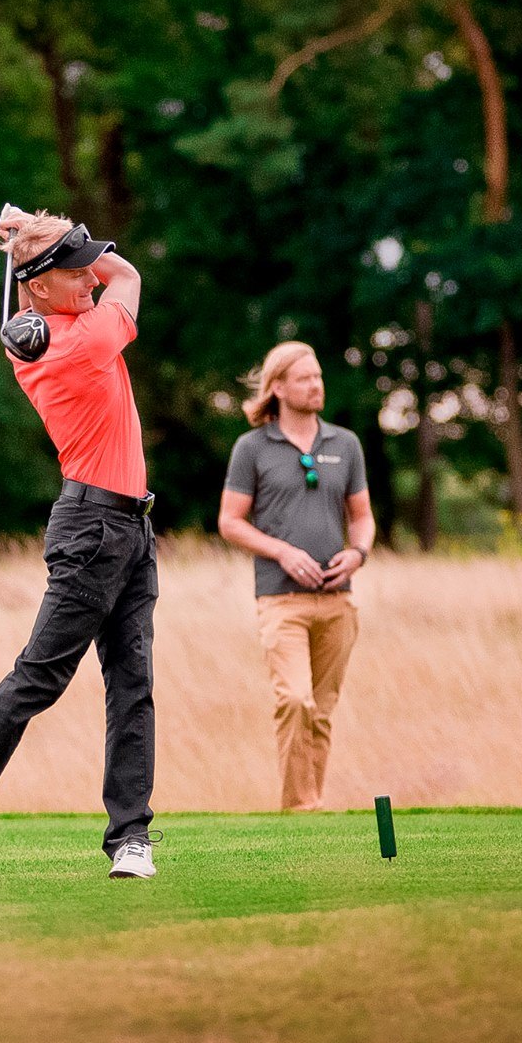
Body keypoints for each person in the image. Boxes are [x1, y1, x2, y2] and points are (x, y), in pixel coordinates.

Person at [0, 208, 159, 884]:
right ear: (38, 288)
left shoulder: (43, 328)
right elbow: (127, 274)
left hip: (131, 526)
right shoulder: (82, 343)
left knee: (132, 682)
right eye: (75, 272)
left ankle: (130, 836)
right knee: (39, 676)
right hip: (93, 530)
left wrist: (37, 235)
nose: (91, 278)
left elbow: (79, 281)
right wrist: (38, 241)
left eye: (86, 267)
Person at [217, 341, 377, 811]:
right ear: (279, 388)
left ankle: (310, 807)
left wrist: (358, 553)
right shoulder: (252, 448)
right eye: (305, 378)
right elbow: (230, 522)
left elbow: (362, 517)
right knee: (295, 701)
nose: (316, 385)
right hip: (281, 601)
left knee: (321, 713)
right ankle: (299, 808)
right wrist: (282, 552)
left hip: (338, 600)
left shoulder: (345, 444)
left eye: (318, 376)